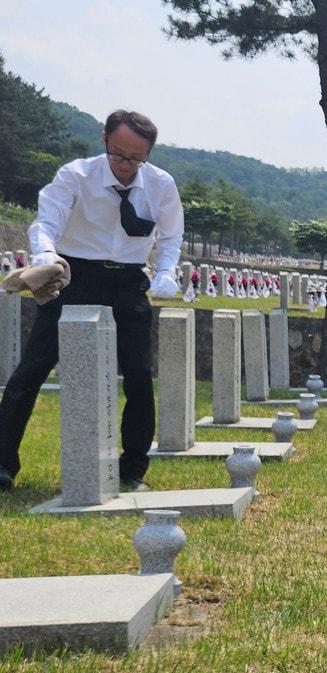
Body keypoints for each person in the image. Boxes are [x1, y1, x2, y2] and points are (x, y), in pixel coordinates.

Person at [0, 109, 183, 493]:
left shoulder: (161, 185)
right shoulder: (76, 175)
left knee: (136, 376)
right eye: (118, 154)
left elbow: (169, 238)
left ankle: (132, 469)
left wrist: (165, 272)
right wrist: (45, 256)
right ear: (104, 140)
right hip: (74, 275)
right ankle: (2, 462)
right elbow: (46, 222)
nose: (125, 165)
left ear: (148, 154)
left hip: (128, 280)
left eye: (135, 158)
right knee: (32, 369)